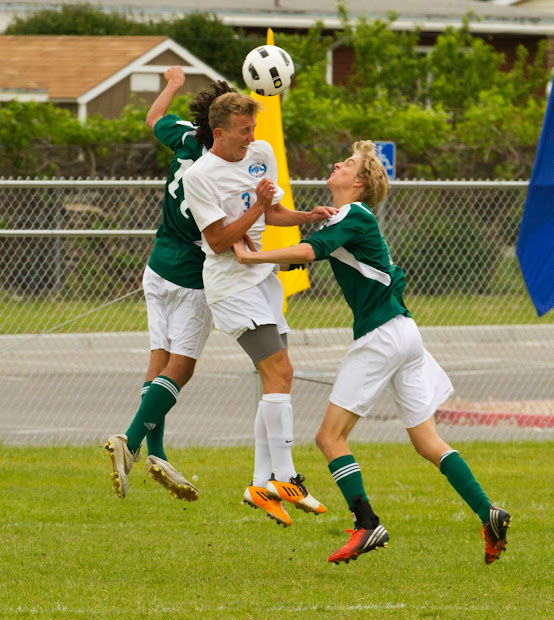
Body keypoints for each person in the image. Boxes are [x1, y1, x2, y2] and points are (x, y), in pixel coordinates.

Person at [233, 140, 511, 564]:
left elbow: (307, 251)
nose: (336, 163)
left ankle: (367, 524)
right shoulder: (345, 218)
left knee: (329, 438)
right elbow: (303, 257)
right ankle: (488, 511)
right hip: (403, 332)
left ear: (359, 182)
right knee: (427, 441)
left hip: (381, 336)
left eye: (347, 163)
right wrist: (258, 255)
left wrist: (249, 258)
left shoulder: (354, 214)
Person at [181, 92, 336, 527]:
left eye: (253, 129)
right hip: (231, 286)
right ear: (219, 133)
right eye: (243, 131)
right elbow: (217, 241)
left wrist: (307, 216)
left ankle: (258, 484)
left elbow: (275, 213)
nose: (251, 137)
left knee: (275, 380)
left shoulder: (261, 153)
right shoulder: (200, 176)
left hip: (263, 281)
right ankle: (285, 477)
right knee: (281, 371)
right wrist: (259, 207)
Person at [105, 67, 236, 501]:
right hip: (190, 276)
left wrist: (173, 85)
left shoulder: (186, 137)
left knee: (158, 363)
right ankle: (130, 442)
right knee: (181, 368)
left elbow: (153, 118)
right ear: (222, 129)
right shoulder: (221, 167)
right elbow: (222, 233)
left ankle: (157, 453)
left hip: (157, 265)